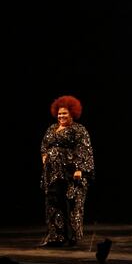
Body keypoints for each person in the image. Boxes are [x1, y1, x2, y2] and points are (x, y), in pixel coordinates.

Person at [40, 95, 94, 246]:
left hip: (70, 173)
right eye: (59, 113)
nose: (61, 116)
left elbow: (84, 149)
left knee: (72, 203)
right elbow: (44, 145)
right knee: (53, 203)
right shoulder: (52, 128)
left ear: (72, 113)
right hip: (53, 174)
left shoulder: (79, 129)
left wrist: (80, 169)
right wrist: (45, 156)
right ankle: (56, 237)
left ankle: (72, 237)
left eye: (64, 113)